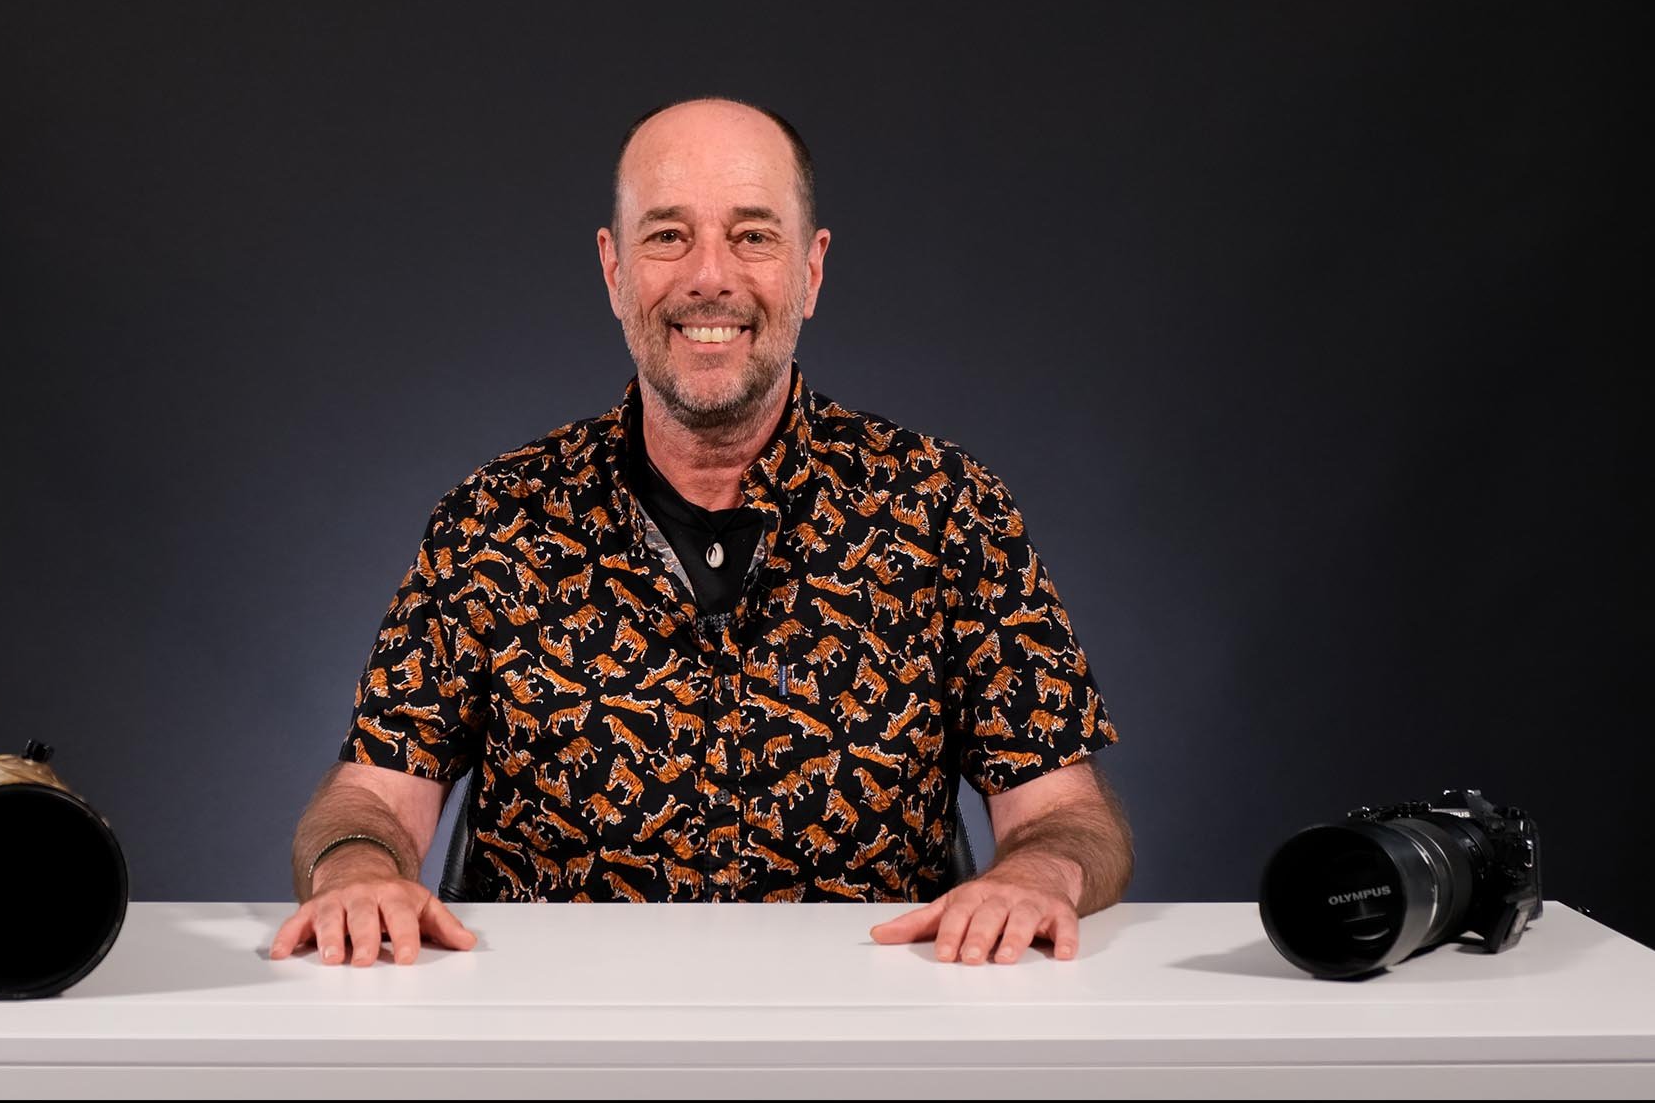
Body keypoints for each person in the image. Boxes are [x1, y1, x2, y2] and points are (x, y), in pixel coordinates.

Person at [270, 97, 1132, 970]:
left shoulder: (948, 510)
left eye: (754, 236)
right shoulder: (492, 523)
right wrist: (357, 868)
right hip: (548, 1045)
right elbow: (370, 796)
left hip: (869, 1042)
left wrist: (1038, 874)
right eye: (667, 235)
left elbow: (1065, 813)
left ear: (811, 270)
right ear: (613, 269)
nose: (709, 277)